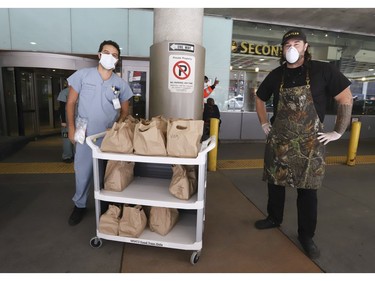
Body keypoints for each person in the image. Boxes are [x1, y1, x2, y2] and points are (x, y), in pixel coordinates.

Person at [254, 29, 353, 259]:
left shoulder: (322, 70)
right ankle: (274, 218)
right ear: (282, 49)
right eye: (287, 44)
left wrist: (338, 131)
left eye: (297, 43)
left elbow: (345, 97)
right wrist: (263, 123)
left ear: (305, 47)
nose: (291, 48)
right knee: (275, 183)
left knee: (307, 191)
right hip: (280, 140)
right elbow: (260, 98)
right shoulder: (276, 75)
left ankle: (306, 236)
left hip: (310, 143)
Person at [66, 40, 134, 226]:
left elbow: (125, 111)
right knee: (83, 171)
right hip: (86, 134)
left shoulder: (120, 84)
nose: (109, 57)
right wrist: (71, 128)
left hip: (108, 136)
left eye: (114, 55)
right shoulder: (83, 76)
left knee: (107, 172)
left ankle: (105, 205)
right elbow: (71, 103)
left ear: (117, 60)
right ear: (98, 55)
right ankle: (79, 205)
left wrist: (116, 128)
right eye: (106, 52)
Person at [57, 80, 74, 163]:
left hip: (67, 120)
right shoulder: (78, 92)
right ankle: (72, 155)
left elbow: (61, 108)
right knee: (75, 138)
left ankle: (67, 156)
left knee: (66, 138)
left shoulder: (64, 92)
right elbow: (62, 108)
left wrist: (63, 121)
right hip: (74, 120)